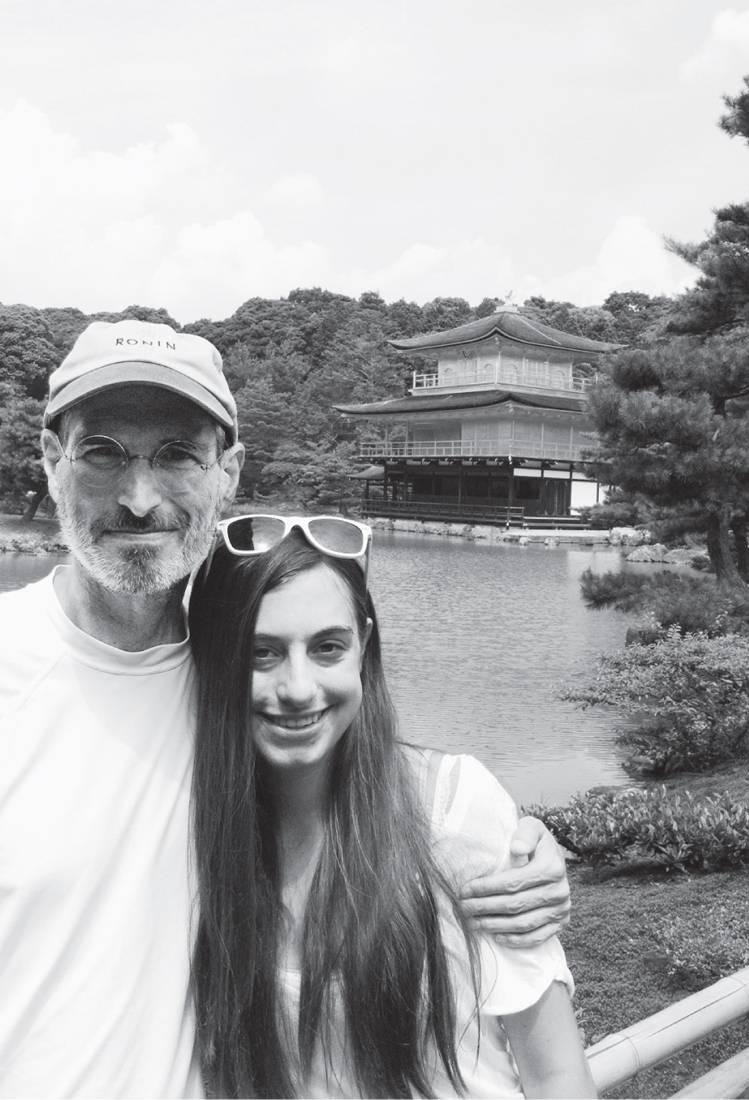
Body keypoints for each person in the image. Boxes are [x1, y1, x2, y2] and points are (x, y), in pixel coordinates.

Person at [0, 319, 571, 1098]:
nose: (138, 499)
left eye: (177, 455)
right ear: (50, 459)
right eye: (102, 452)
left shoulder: (226, 664)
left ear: (227, 472)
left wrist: (500, 833)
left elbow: (366, 763)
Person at [188, 515, 596, 1098]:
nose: (299, 687)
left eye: (328, 647)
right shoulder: (185, 828)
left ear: (365, 646)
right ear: (213, 655)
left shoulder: (451, 809)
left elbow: (556, 1071)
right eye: (261, 653)